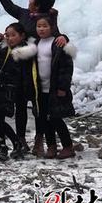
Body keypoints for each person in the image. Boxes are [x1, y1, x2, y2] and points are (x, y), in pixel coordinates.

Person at [0, 0, 69, 155]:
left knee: (38, 108)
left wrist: (65, 37)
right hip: (20, 67)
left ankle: (39, 140)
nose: (29, 1)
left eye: (32, 0)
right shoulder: (25, 15)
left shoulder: (47, 20)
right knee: (21, 105)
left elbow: (57, 36)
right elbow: (10, 7)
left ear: (37, 5)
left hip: (37, 70)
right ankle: (21, 140)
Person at [0, 23, 37, 161]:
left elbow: (26, 75)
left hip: (10, 91)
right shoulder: (3, 49)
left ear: (22, 36)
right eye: (7, 35)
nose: (9, 38)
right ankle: (8, 145)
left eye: (13, 35)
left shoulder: (24, 53)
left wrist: (26, 93)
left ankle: (10, 145)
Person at [33, 16, 76, 159]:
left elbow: (66, 67)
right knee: (44, 120)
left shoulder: (58, 43)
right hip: (41, 90)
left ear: (52, 27)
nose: (41, 29)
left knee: (56, 119)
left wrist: (63, 87)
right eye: (39, 26)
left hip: (55, 89)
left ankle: (68, 146)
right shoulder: (36, 43)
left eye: (45, 26)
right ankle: (51, 147)